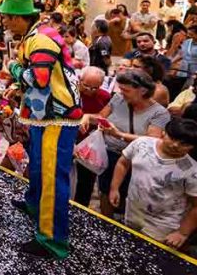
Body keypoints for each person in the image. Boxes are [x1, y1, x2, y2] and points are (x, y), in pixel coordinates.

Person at [0, 0, 82, 259]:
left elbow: (40, 78)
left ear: (17, 17)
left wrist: (12, 69)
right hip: (42, 116)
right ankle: (35, 204)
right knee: (38, 166)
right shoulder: (36, 35)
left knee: (51, 177)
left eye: (7, 17)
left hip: (56, 118)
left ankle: (51, 240)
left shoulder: (41, 39)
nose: (4, 22)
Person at [80, 69, 170, 217]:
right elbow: (101, 117)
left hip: (135, 160)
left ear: (142, 91)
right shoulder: (118, 99)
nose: (121, 93)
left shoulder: (159, 113)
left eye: (125, 90)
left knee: (128, 194)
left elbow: (151, 140)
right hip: (109, 153)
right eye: (120, 89)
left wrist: (119, 134)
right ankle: (106, 221)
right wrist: (88, 117)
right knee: (105, 190)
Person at [109, 118, 197, 247]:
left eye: (184, 144)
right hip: (133, 212)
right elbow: (123, 162)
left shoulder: (192, 170)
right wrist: (114, 188)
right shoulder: (141, 144)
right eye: (172, 138)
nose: (175, 145)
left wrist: (182, 233)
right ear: (163, 133)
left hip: (163, 226)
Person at [72, 67, 112, 207]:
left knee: (87, 180)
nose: (90, 90)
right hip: (68, 138)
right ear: (79, 80)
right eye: (86, 86)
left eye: (95, 88)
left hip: (90, 144)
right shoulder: (70, 92)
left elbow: (104, 117)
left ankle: (80, 208)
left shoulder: (105, 96)